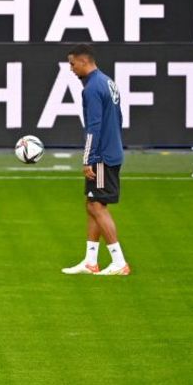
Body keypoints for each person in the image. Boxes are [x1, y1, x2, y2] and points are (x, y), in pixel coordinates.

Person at [62, 44, 130, 276]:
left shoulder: (91, 88)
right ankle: (91, 261)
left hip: (101, 156)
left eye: (72, 64)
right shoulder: (108, 82)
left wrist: (88, 159)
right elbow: (119, 117)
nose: (71, 69)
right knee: (92, 204)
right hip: (112, 150)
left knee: (96, 205)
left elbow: (93, 126)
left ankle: (119, 262)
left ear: (83, 61)